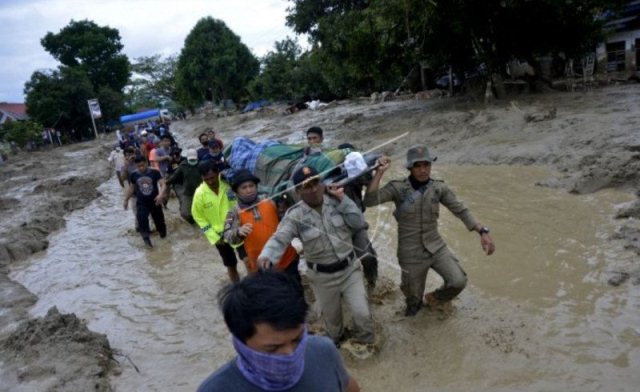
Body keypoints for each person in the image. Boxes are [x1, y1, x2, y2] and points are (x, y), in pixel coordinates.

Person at [363, 145, 496, 316]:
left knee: (458, 281)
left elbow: (460, 210)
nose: (423, 170)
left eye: (426, 165)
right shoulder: (398, 188)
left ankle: (435, 299)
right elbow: (370, 200)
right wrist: (379, 173)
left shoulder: (439, 188)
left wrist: (482, 232)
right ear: (410, 168)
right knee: (413, 304)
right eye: (418, 166)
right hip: (410, 252)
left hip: (436, 246)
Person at [257, 166, 375, 347]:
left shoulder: (337, 201)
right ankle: (336, 346)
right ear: (298, 191)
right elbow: (280, 238)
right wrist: (267, 255)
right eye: (307, 186)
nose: (313, 189)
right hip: (322, 278)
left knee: (363, 314)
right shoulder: (295, 215)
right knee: (333, 324)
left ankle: (368, 345)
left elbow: (358, 222)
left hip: (350, 270)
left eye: (316, 183)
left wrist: (343, 198)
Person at [197, 270, 360, 392]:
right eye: (272, 348)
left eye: (297, 340)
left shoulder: (324, 351)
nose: (290, 354)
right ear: (240, 343)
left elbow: (349, 386)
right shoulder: (217, 389)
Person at [223, 169, 300, 281]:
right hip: (261, 265)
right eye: (244, 188)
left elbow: (287, 218)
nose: (249, 190)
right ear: (236, 191)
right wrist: (238, 232)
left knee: (296, 291)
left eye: (252, 186)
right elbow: (227, 236)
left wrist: (283, 206)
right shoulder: (233, 212)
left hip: (287, 258)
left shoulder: (270, 199)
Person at [192, 160, 247, 282]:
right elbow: (198, 217)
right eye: (206, 179)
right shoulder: (199, 194)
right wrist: (213, 236)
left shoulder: (229, 185)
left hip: (238, 229)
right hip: (220, 236)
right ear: (202, 178)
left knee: (248, 259)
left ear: (218, 173)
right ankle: (236, 288)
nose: (210, 181)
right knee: (231, 264)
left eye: (212, 177)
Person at [337, 143, 379, 292]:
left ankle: (372, 282)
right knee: (341, 263)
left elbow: (368, 181)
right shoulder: (329, 176)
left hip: (356, 222)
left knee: (367, 256)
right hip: (336, 227)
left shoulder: (355, 171)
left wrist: (378, 170)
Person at [123, 155, 167, 247]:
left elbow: (163, 184)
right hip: (142, 203)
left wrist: (160, 194)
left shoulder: (155, 172)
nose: (141, 168)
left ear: (147, 163)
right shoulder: (134, 175)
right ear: (136, 166)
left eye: (143, 165)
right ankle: (147, 243)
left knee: (160, 223)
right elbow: (131, 188)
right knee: (142, 221)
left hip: (155, 201)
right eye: (139, 166)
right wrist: (126, 200)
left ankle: (164, 239)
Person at [165, 148, 201, 224]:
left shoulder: (202, 165)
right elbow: (174, 176)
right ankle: (193, 223)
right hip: (188, 193)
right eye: (190, 160)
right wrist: (166, 183)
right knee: (185, 214)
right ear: (187, 158)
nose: (192, 161)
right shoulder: (183, 165)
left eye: (194, 159)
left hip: (200, 193)